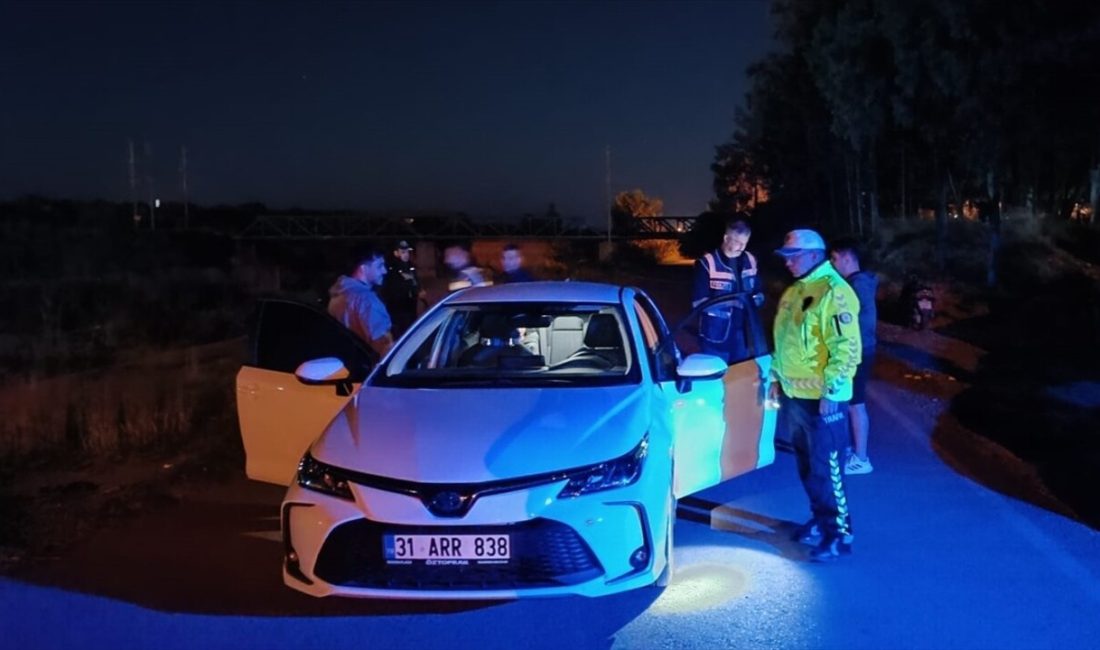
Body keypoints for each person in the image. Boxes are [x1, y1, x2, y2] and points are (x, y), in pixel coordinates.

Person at [769, 228, 862, 562]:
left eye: (793, 257)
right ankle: (822, 519)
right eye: (785, 257)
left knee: (828, 467)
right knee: (808, 467)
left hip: (824, 401)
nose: (788, 263)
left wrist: (833, 391)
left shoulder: (835, 292)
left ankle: (839, 533)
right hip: (796, 396)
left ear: (813, 255)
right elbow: (785, 340)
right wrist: (776, 377)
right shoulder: (795, 291)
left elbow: (847, 348)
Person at [830, 238, 878, 475]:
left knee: (855, 405)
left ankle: (861, 459)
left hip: (858, 352)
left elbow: (858, 323)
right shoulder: (861, 283)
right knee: (850, 403)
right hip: (861, 350)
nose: (832, 263)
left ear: (847, 258)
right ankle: (852, 451)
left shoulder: (856, 286)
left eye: (835, 258)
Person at [691, 218, 764, 364]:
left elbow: (759, 292)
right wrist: (734, 302)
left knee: (739, 378)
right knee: (716, 379)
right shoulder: (707, 263)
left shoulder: (750, 260)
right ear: (726, 238)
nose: (741, 247)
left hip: (744, 335)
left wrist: (756, 301)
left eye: (745, 242)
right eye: (737, 242)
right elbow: (698, 302)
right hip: (715, 336)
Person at [327, 245, 394, 357]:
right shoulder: (367, 301)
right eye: (379, 266)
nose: (385, 271)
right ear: (363, 268)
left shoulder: (338, 295)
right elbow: (383, 346)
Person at [382, 240, 424, 337]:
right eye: (403, 252)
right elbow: (392, 290)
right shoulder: (393, 270)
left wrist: (418, 290)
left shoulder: (410, 267)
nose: (406, 255)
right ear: (396, 253)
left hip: (411, 308)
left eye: (407, 252)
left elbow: (415, 282)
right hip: (398, 311)